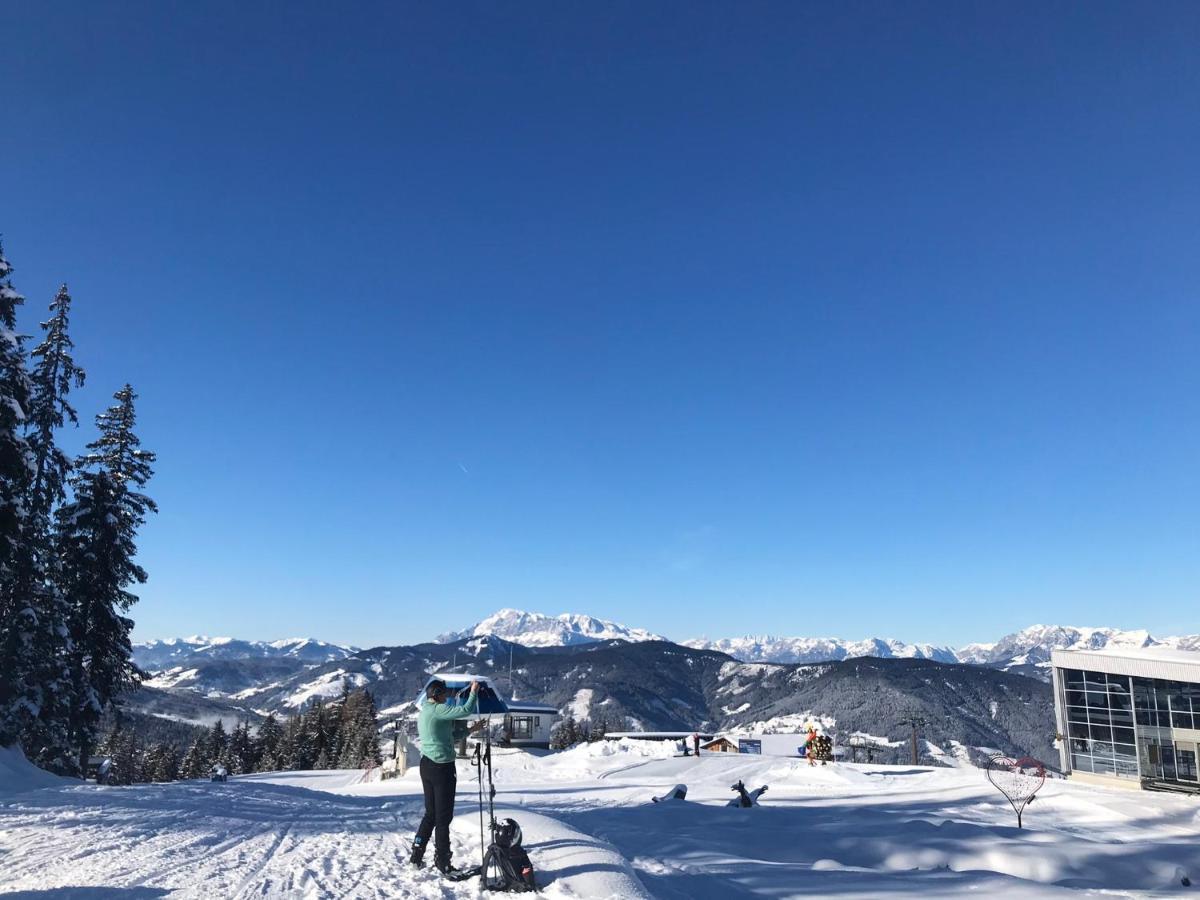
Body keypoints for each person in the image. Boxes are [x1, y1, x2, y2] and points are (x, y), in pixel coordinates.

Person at [409, 678, 486, 874]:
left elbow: (447, 737)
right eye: (444, 694)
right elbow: (465, 710)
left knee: (431, 814)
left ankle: (416, 854)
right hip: (442, 769)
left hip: (426, 765)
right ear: (436, 695)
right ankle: (443, 860)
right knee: (443, 818)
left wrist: (471, 730)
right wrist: (474, 691)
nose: (447, 697)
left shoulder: (426, 710)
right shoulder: (438, 709)